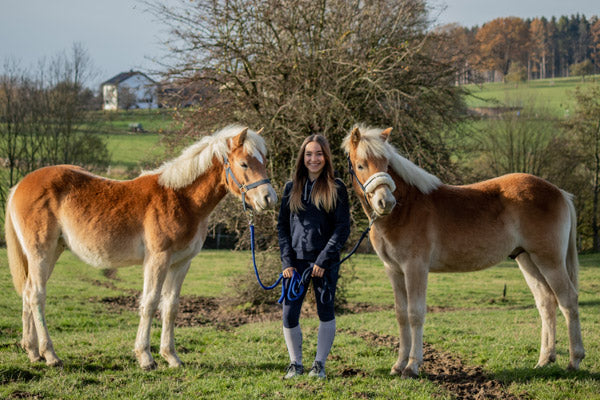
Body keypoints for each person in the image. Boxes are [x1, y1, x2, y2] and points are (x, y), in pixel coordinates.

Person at [277, 134, 351, 379]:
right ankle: (295, 363)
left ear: (326, 157)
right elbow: (283, 228)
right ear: (302, 157)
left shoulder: (337, 188)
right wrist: (287, 262)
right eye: (309, 154)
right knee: (289, 313)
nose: (314, 159)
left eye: (319, 153)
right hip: (295, 263)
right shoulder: (291, 188)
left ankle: (319, 364)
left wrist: (322, 260)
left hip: (324, 262)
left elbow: (342, 228)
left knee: (325, 310)